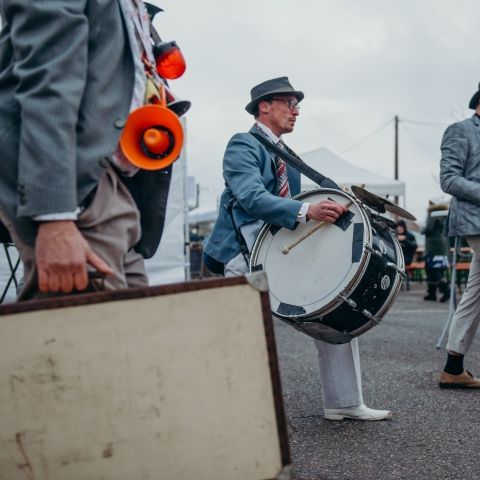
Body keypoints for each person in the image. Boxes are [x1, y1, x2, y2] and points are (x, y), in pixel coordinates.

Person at [203, 76, 392, 420]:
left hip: (276, 249)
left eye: (297, 105)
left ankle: (344, 403)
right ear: (265, 106)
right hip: (240, 255)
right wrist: (307, 211)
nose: (297, 111)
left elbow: (293, 202)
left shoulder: (286, 155)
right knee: (240, 337)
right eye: (291, 104)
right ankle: (228, 412)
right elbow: (251, 197)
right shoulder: (242, 144)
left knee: (336, 306)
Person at [0, 1, 176, 299]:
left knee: (131, 330)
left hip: (113, 185)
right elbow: (48, 77)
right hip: (78, 188)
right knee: (87, 334)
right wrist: (54, 216)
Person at [438, 82, 480, 388]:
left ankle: (454, 366)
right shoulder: (460, 130)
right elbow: (449, 179)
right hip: (474, 220)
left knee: (475, 295)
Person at [421, 202, 450, 302]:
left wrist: (422, 230)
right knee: (438, 269)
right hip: (443, 246)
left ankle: (446, 290)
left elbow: (428, 229)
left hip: (433, 247)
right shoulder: (445, 214)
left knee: (432, 270)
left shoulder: (432, 214)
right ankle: (432, 293)